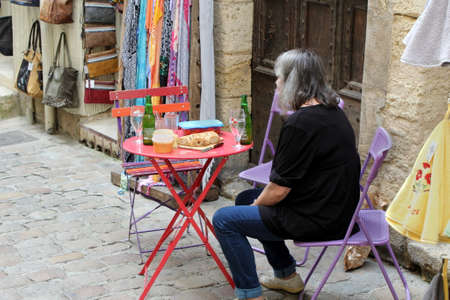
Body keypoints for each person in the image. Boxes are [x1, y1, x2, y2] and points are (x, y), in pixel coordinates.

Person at [212, 49, 361, 300]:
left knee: (225, 219)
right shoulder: (332, 110)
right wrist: (254, 203)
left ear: (292, 82)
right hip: (336, 208)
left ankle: (249, 294)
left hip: (320, 218)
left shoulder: (301, 124)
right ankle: (287, 276)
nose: (276, 84)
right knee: (244, 198)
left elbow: (280, 188)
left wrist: (257, 206)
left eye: (279, 78)